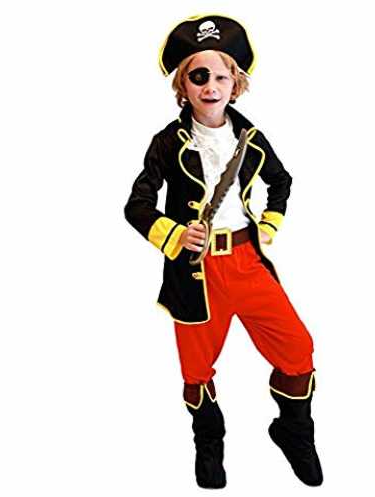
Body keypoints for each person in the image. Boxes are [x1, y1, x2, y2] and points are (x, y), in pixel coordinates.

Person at [124, 14, 323, 489]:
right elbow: (137, 205)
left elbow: (281, 181)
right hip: (195, 274)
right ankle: (209, 443)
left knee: (298, 349)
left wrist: (269, 224)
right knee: (196, 370)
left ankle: (293, 431)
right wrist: (172, 234)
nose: (210, 86)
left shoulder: (250, 139)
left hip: (248, 262)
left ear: (236, 83)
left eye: (220, 76)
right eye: (198, 76)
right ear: (182, 86)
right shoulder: (166, 143)